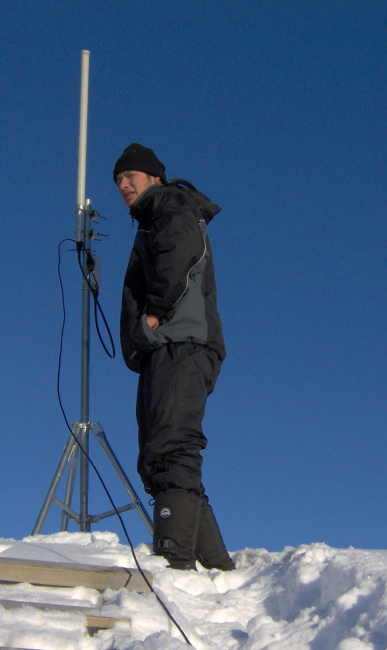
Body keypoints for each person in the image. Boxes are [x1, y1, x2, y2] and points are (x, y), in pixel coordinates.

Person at [112, 143, 234, 571]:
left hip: (181, 343)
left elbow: (180, 254)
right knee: (158, 457)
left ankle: (174, 562)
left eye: (131, 176)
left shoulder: (169, 203)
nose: (124, 185)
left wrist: (154, 312)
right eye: (118, 181)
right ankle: (215, 567)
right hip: (164, 348)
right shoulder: (152, 217)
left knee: (171, 447)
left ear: (154, 177)